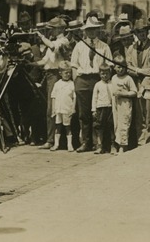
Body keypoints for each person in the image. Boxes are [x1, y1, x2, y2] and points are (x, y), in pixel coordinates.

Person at [70, 16, 113, 152]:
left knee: (99, 112)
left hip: (98, 79)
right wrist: (76, 82)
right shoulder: (79, 46)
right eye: (89, 30)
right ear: (85, 31)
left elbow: (110, 65)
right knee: (84, 114)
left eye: (94, 29)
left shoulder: (104, 46)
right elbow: (74, 66)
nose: (91, 32)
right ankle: (86, 142)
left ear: (98, 30)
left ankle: (100, 143)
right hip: (82, 80)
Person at [33, 17, 70, 150]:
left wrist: (41, 36)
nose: (51, 32)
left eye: (53, 29)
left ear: (60, 29)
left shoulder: (63, 40)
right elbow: (44, 61)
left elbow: (54, 47)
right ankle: (51, 139)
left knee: (54, 108)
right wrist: (29, 63)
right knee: (49, 108)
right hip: (49, 75)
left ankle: (53, 140)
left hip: (56, 75)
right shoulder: (52, 42)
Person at [111, 55, 138, 154]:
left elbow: (134, 92)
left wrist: (124, 94)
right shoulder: (113, 78)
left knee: (124, 124)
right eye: (118, 67)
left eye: (122, 66)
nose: (120, 69)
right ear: (114, 67)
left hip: (125, 103)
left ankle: (123, 146)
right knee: (116, 124)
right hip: (115, 104)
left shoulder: (128, 78)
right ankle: (118, 144)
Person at [49, 61, 76, 152]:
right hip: (58, 109)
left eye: (69, 72)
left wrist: (73, 108)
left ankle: (69, 145)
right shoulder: (57, 84)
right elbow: (53, 97)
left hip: (67, 109)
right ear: (60, 73)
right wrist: (53, 109)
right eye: (66, 73)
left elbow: (74, 97)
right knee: (58, 126)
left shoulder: (72, 84)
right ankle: (56, 144)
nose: (68, 75)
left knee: (68, 127)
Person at [92, 64, 115, 154]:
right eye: (102, 74)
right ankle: (100, 146)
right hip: (100, 108)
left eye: (106, 73)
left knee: (111, 127)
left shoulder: (113, 83)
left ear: (110, 73)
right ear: (99, 74)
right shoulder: (97, 85)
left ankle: (113, 146)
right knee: (99, 127)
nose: (104, 76)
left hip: (110, 108)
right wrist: (93, 110)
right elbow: (94, 98)